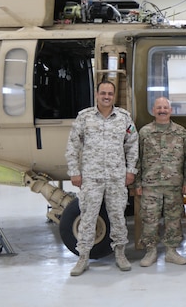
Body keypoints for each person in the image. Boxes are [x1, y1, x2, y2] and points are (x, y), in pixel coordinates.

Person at [66, 80, 139, 276]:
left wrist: (131, 170)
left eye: (110, 93)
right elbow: (73, 145)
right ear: (97, 94)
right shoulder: (85, 117)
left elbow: (132, 144)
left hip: (116, 177)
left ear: (113, 96)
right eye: (103, 93)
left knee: (118, 217)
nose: (106, 96)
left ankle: (120, 254)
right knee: (88, 218)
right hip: (91, 177)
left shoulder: (123, 118)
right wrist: (74, 171)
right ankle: (83, 258)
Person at [135, 97, 186, 267]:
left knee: (174, 219)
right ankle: (150, 251)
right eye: (159, 107)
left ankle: (171, 252)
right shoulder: (144, 132)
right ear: (153, 110)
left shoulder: (180, 132)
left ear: (171, 110)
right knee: (149, 220)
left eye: (165, 107)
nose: (162, 110)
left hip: (174, 185)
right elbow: (137, 158)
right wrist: (137, 183)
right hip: (150, 185)